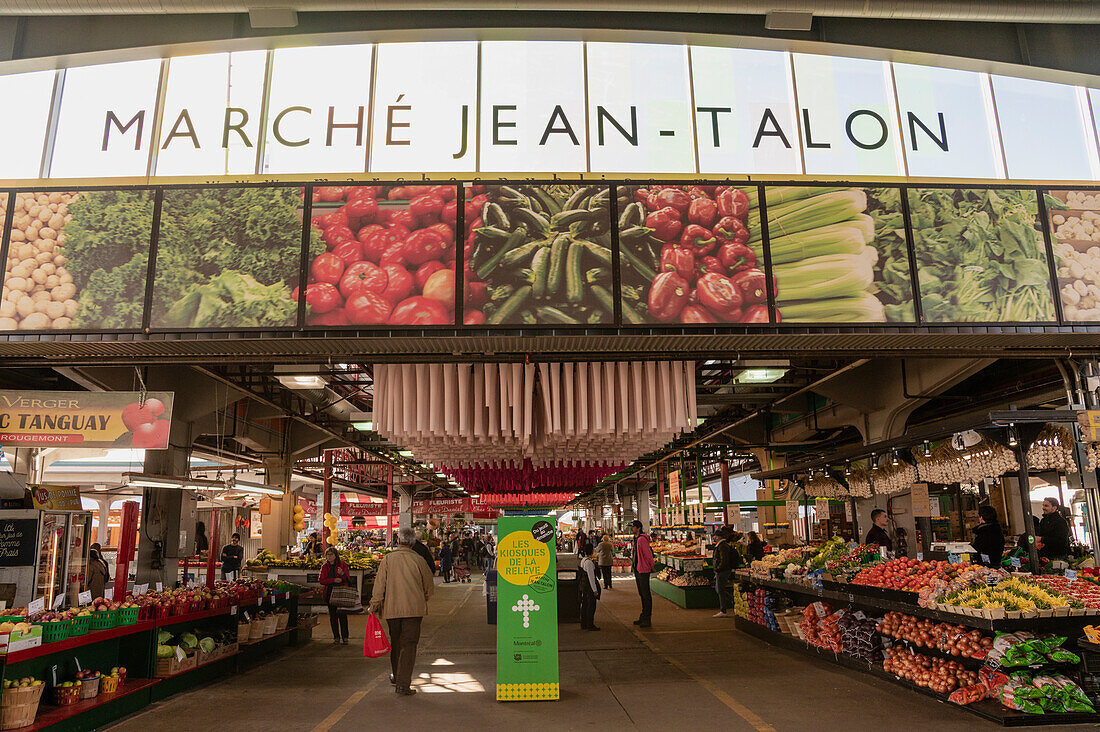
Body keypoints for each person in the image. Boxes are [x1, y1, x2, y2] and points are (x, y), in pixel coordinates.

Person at [370, 527, 435, 697]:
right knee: (409, 645)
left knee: (396, 643)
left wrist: (374, 605)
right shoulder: (419, 560)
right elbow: (429, 587)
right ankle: (403, 684)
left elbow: (379, 586)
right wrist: (423, 598)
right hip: (413, 610)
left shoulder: (388, 560)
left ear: (398, 541)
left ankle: (397, 676)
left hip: (391, 610)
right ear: (413, 543)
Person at [319, 548, 353, 645]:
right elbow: (321, 580)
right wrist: (333, 580)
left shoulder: (342, 565)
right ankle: (336, 637)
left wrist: (342, 574)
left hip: (341, 593)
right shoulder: (324, 567)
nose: (329, 557)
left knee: (342, 615)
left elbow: (348, 580)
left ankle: (345, 637)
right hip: (330, 593)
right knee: (333, 616)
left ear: (335, 555)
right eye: (328, 555)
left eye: (331, 554)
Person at [712, 528, 742, 617]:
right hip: (721, 570)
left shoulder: (722, 546)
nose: (713, 537)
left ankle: (723, 610)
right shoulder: (721, 545)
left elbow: (724, 559)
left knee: (720, 590)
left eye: (715, 536)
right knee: (719, 589)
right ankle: (734, 601)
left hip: (723, 571)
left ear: (718, 537)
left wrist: (718, 569)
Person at [630, 519, 654, 628]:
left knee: (646, 595)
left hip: (643, 570)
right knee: (642, 594)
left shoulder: (642, 540)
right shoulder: (635, 540)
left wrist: (651, 565)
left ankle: (647, 618)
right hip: (638, 569)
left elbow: (648, 554)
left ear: (638, 528)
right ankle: (643, 615)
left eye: (633, 527)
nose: (631, 529)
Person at [578, 545, 602, 630]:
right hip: (589, 587)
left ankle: (584, 623)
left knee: (585, 605)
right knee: (591, 606)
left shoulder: (583, 560)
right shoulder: (589, 563)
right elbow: (591, 578)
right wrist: (595, 590)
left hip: (584, 586)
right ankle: (590, 624)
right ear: (591, 551)